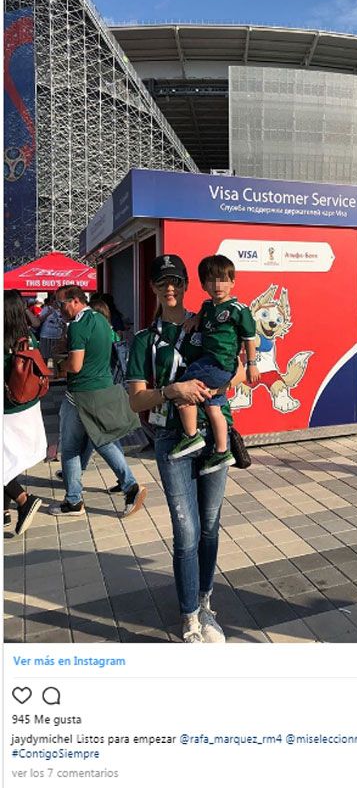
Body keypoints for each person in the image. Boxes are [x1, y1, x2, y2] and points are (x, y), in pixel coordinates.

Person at [126, 253, 245, 643]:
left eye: (176, 281)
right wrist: (171, 391)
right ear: (153, 288)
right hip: (170, 439)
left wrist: (223, 380)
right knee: (186, 531)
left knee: (210, 525)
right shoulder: (145, 340)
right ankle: (190, 616)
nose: (170, 288)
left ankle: (206, 602)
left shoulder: (206, 323)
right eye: (162, 283)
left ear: (187, 285)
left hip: (213, 438)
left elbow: (239, 369)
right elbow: (136, 401)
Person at [50, 284, 146, 518]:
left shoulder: (78, 326)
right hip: (103, 390)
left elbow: (75, 365)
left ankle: (74, 501)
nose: (58, 309)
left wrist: (57, 367)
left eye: (61, 304)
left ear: (74, 301)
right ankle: (129, 486)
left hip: (80, 395)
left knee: (71, 448)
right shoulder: (100, 319)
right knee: (103, 440)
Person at [169, 254, 258, 473]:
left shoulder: (239, 309)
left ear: (233, 282)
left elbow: (249, 338)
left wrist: (252, 364)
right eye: (211, 281)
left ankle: (190, 437)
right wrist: (194, 319)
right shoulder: (207, 305)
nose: (218, 285)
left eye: (224, 279)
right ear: (203, 285)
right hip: (214, 365)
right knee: (214, 406)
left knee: (182, 390)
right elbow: (203, 313)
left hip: (219, 363)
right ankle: (221, 451)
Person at [4, 290, 46, 534]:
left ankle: (23, 500)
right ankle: (4, 512)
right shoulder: (28, 336)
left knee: (4, 462)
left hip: (7, 409)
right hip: (28, 405)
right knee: (7, 461)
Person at [38, 295, 65, 363]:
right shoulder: (47, 308)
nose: (56, 303)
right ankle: (43, 372)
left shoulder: (63, 310)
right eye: (54, 301)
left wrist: (63, 335)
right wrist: (47, 313)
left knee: (57, 358)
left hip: (57, 336)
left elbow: (65, 324)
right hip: (46, 336)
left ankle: (57, 372)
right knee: (44, 356)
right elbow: (39, 320)